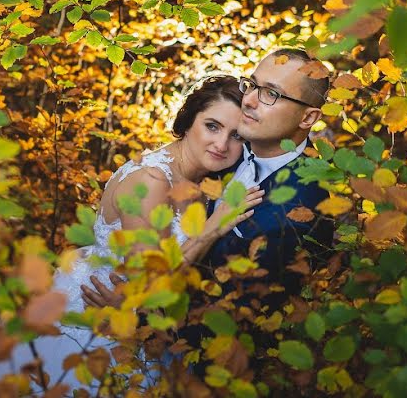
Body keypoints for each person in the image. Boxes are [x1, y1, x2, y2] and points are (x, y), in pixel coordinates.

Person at [0, 75, 265, 394]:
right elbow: (150, 286)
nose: (222, 144)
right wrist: (210, 230)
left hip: (143, 321)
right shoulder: (153, 180)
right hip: (93, 318)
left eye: (236, 135)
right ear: (188, 122)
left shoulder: (210, 183)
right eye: (212, 126)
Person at [83, 48, 334, 352]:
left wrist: (135, 318)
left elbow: (240, 321)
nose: (251, 100)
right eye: (252, 85)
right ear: (189, 120)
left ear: (308, 117)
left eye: (270, 93)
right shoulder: (173, 174)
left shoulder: (297, 206)